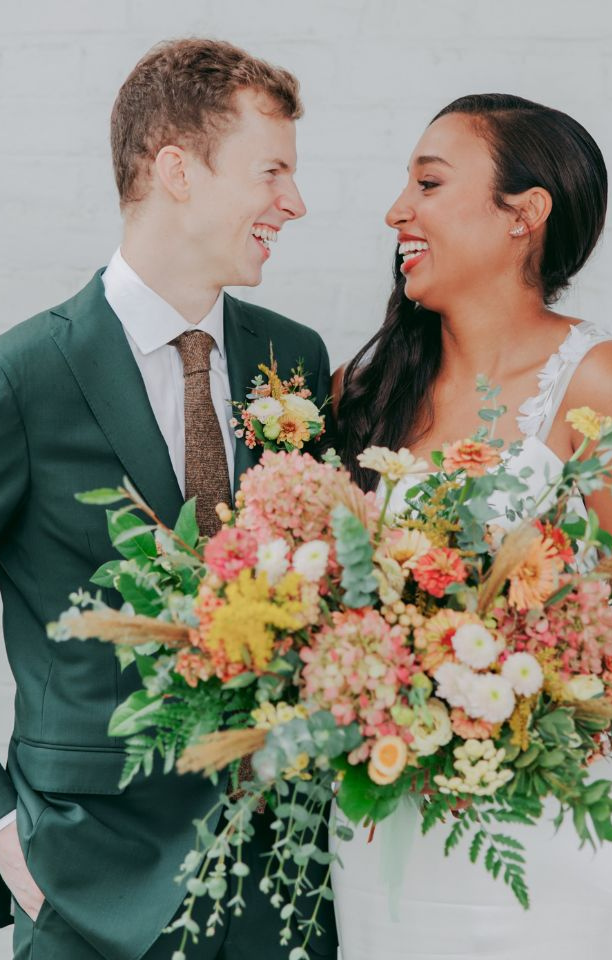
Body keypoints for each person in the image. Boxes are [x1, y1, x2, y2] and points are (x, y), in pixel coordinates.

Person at [331, 93, 612, 960]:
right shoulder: (363, 390)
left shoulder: (599, 380)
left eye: (428, 183)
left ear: (524, 215)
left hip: (535, 838)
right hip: (380, 837)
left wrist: (492, 697)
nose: (397, 211)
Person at [0, 38, 336, 960]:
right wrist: (4, 842)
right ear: (177, 169)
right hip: (85, 878)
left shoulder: (295, 359)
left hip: (280, 871)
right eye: (272, 171)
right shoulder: (24, 375)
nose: (293, 203)